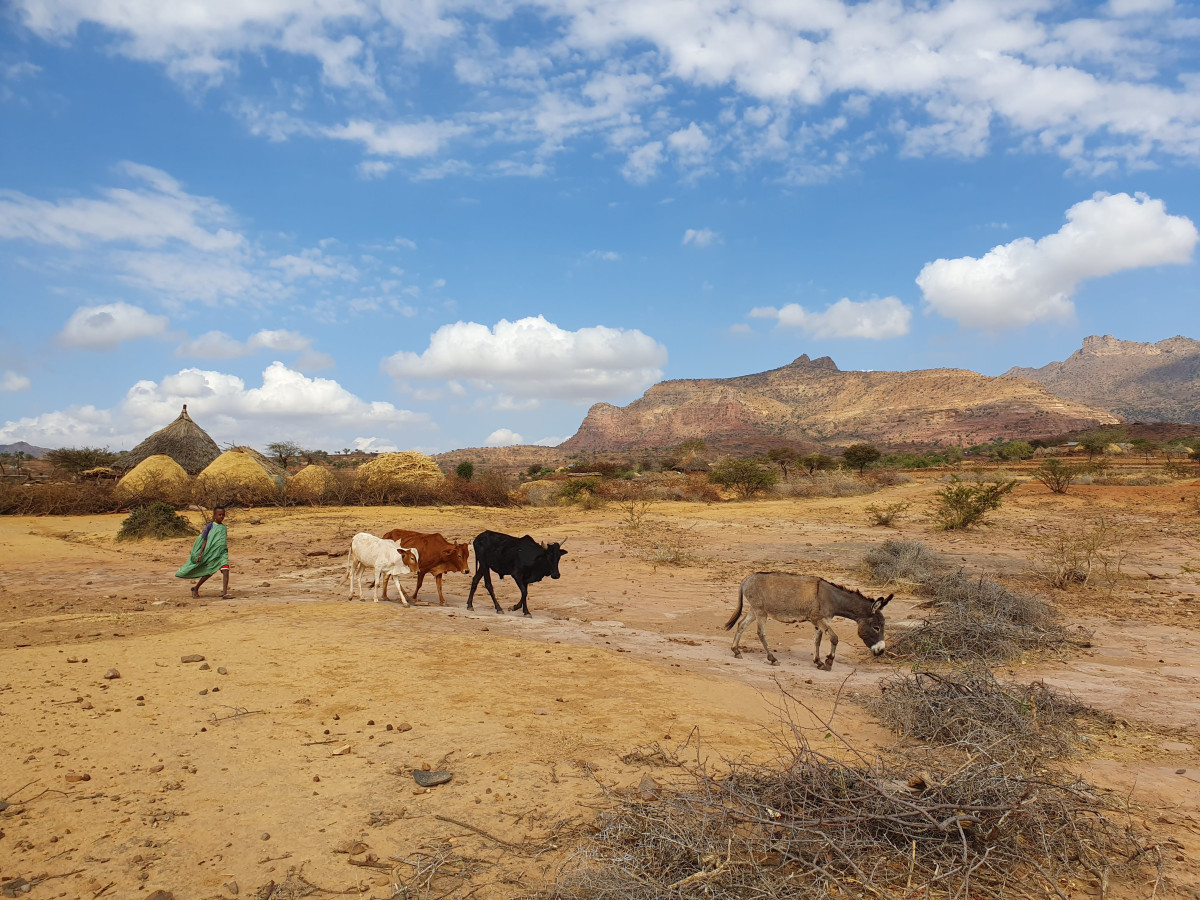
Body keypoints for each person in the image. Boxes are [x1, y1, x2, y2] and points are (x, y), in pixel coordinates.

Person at [176, 506, 231, 598]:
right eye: (219, 514)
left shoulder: (223, 527)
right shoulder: (210, 526)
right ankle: (196, 588)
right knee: (209, 572)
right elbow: (204, 540)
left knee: (226, 570)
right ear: (214, 515)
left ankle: (225, 593)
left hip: (222, 553)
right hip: (211, 554)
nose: (221, 516)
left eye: (223, 515)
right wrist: (200, 554)